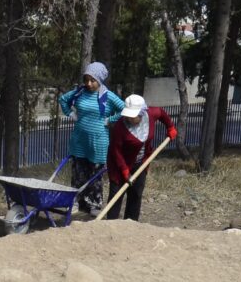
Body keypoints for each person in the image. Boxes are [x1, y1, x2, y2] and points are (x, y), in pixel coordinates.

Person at [57, 62, 121, 214]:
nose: (88, 83)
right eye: (86, 79)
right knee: (78, 173)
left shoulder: (108, 96)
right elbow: (63, 100)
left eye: (92, 80)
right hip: (79, 141)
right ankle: (75, 203)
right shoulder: (79, 92)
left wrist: (109, 120)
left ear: (100, 80)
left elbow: (125, 109)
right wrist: (71, 114)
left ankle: (94, 204)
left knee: (95, 175)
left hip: (98, 142)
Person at [104, 94, 177, 221]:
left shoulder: (151, 115)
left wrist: (170, 126)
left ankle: (131, 223)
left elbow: (161, 113)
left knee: (136, 194)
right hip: (118, 164)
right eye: (128, 115)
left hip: (141, 162)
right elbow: (116, 151)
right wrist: (125, 171)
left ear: (142, 112)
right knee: (116, 195)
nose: (129, 118)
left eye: (133, 116)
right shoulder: (120, 127)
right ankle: (111, 225)